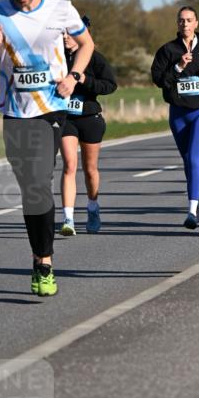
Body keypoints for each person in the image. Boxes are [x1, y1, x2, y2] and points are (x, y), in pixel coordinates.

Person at [0, 0, 94, 296]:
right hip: (14, 110)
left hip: (51, 108)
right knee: (30, 188)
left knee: (40, 181)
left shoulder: (61, 9)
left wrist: (74, 75)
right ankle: (38, 253)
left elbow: (87, 44)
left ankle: (44, 262)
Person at [151, 5, 199, 229]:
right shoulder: (167, 50)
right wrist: (178, 67)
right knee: (186, 160)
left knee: (193, 158)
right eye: (181, 20)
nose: (185, 24)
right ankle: (197, 194)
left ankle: (192, 211)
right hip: (178, 113)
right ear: (177, 24)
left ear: (196, 23)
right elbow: (157, 79)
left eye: (189, 20)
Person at [59, 16, 118, 235]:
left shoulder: (95, 59)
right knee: (69, 165)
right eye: (62, 33)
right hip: (67, 119)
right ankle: (68, 219)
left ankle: (93, 206)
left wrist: (85, 80)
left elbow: (110, 85)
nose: (65, 37)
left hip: (90, 119)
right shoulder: (58, 57)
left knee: (90, 169)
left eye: (69, 33)